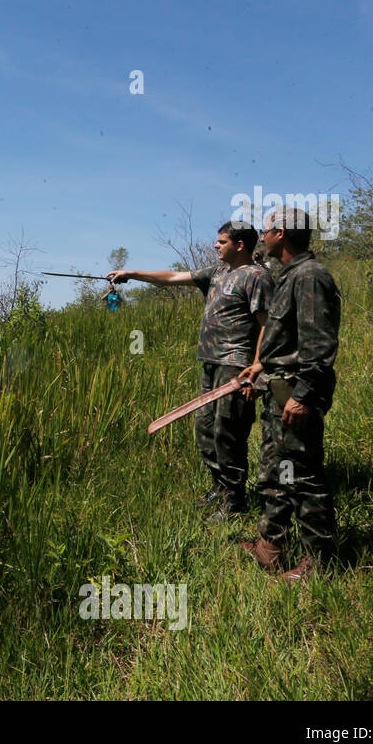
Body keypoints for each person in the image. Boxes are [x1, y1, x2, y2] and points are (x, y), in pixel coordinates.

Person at [108, 222, 273, 521]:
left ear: (239, 245)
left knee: (228, 432)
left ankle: (234, 502)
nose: (215, 245)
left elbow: (266, 325)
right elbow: (171, 277)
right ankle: (219, 488)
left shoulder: (257, 277)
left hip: (236, 366)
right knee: (205, 429)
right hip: (211, 363)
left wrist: (256, 369)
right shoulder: (217, 273)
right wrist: (132, 274)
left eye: (221, 241)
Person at [236, 207, 341, 582]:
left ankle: (320, 564)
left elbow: (318, 343)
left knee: (304, 475)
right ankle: (271, 546)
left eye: (265, 231)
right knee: (275, 472)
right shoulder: (289, 276)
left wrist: (305, 395)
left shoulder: (310, 277)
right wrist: (261, 364)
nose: (261, 237)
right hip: (277, 388)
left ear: (280, 233)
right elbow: (289, 337)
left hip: (295, 393)